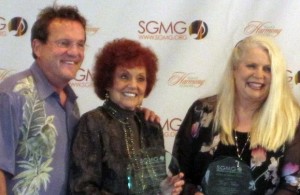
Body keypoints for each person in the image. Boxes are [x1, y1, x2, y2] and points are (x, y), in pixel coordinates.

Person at [171, 35, 300, 194]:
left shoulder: (291, 121)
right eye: (251, 66)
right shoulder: (202, 112)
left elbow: (292, 185)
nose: (259, 75)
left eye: (268, 69)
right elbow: (178, 174)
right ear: (234, 69)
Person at [70, 38, 184, 194]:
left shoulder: (151, 125)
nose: (133, 85)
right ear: (108, 82)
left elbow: (154, 187)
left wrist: (165, 189)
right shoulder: (92, 122)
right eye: (124, 76)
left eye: (141, 79)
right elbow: (82, 189)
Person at [0, 5, 87, 195]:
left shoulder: (72, 104)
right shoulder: (12, 94)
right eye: (64, 43)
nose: (75, 52)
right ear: (37, 47)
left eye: (80, 44)